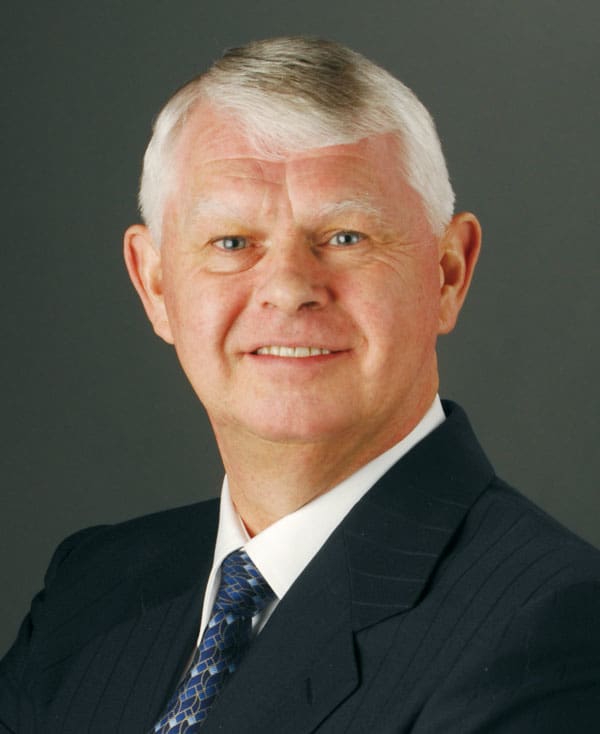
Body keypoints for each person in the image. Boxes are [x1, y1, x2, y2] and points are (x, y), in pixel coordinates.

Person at [1, 36, 599, 734]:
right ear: (155, 285)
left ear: (447, 274)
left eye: (346, 237)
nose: (288, 288)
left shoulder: (553, 629)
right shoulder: (92, 588)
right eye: (232, 243)